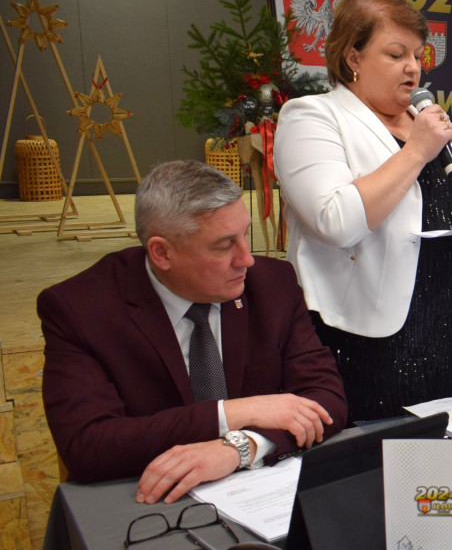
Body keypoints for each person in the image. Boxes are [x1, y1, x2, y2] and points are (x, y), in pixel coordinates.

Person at [38, 161, 347, 504]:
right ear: (161, 252)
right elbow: (88, 445)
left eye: (245, 234)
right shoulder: (80, 309)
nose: (246, 259)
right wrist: (234, 413)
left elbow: (325, 399)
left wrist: (239, 447)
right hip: (144, 500)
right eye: (223, 245)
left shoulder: (272, 283)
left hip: (259, 495)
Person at [274, 0, 452, 422]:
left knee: (443, 447)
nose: (413, 67)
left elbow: (448, 199)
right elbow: (333, 221)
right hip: (363, 334)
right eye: (396, 54)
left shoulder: (425, 120)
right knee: (375, 450)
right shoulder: (312, 117)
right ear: (353, 57)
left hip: (445, 320)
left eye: (418, 55)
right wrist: (416, 150)